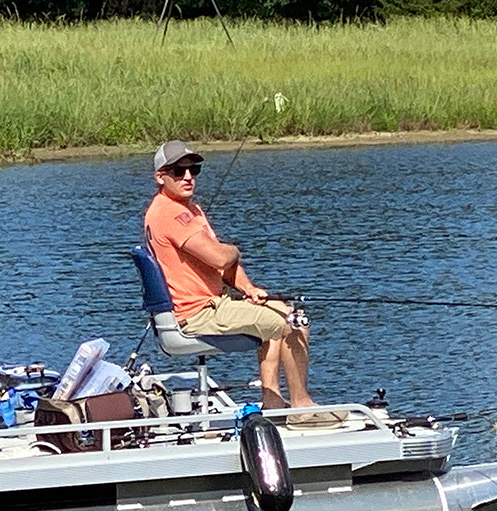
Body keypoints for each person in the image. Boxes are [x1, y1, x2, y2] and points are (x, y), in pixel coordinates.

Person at [143, 140, 345, 429]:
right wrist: (234, 249)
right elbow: (218, 255)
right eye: (178, 171)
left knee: (277, 309)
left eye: (194, 169)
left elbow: (217, 265)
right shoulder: (169, 214)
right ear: (160, 177)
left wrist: (247, 289)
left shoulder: (190, 210)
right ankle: (302, 408)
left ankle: (273, 402)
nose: (188, 177)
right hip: (199, 312)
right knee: (294, 321)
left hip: (215, 302)